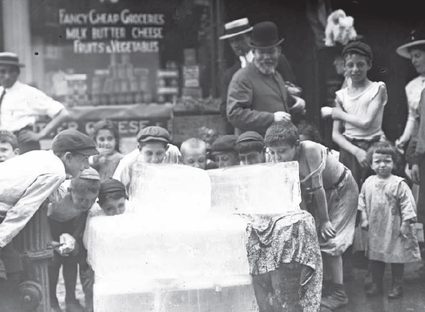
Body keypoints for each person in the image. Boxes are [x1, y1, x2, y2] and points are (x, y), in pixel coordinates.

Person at [265, 120, 358, 310]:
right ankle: (321, 286)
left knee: (330, 240)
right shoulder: (274, 156)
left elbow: (318, 188)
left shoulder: (311, 150)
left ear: (296, 145)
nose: (277, 157)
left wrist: (324, 221)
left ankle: (339, 293)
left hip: (341, 189)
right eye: (273, 152)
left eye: (282, 151)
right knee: (310, 238)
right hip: (317, 195)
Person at [0, 129, 98, 309]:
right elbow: (23, 209)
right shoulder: (56, 172)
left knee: (13, 270)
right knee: (11, 275)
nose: (86, 166)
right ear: (68, 157)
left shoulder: (43, 157)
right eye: (84, 159)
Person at [321, 40, 388, 188]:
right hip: (350, 149)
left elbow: (366, 122)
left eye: (360, 64)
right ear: (345, 67)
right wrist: (356, 151)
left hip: (374, 146)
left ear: (369, 65)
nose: (355, 69)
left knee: (376, 189)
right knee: (350, 192)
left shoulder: (377, 89)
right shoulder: (341, 95)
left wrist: (336, 113)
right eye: (350, 65)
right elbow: (335, 135)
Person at [359, 142, 421, 298]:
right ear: (371, 164)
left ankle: (397, 285)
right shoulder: (368, 183)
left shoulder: (398, 184)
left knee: (396, 257)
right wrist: (364, 218)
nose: (382, 165)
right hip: (376, 228)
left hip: (394, 227)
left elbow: (408, 204)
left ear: (394, 163)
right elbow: (362, 201)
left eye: (387, 161)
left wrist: (406, 223)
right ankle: (377, 284)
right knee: (376, 258)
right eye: (378, 161)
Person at [227, 21, 306, 136]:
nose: (267, 57)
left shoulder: (277, 76)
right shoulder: (242, 77)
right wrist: (271, 118)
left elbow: (275, 103)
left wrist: (295, 103)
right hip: (255, 148)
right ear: (254, 52)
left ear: (279, 51)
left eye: (271, 51)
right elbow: (235, 114)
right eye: (261, 52)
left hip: (279, 145)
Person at [48, 167, 101, 312]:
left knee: (71, 263)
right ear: (71, 191)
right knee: (53, 265)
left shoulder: (88, 205)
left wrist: (76, 239)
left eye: (90, 200)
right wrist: (50, 242)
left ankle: (71, 299)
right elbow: (42, 220)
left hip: (72, 228)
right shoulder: (57, 198)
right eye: (81, 199)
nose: (85, 204)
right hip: (52, 227)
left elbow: (83, 219)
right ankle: (52, 301)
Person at [0, 52, 70, 153]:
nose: (7, 76)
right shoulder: (1, 92)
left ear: (18, 73)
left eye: (11, 72)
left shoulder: (28, 92)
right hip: (5, 144)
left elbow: (63, 114)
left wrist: (40, 135)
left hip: (23, 143)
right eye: (2, 71)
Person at [113, 126, 174, 198]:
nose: (154, 159)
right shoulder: (127, 163)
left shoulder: (173, 154)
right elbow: (115, 191)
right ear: (139, 149)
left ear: (166, 149)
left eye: (159, 153)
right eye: (149, 153)